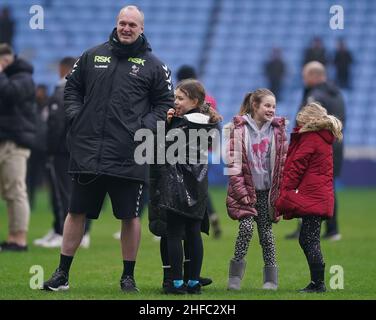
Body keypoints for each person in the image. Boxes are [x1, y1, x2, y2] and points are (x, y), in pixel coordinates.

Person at [42, 5, 174, 292]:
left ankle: (128, 277)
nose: (126, 28)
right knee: (75, 211)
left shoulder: (155, 66)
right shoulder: (91, 55)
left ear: (141, 29)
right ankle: (62, 274)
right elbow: (72, 87)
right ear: (116, 25)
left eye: (132, 25)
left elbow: (165, 105)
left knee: (129, 216)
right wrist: (77, 115)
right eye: (122, 23)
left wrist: (142, 128)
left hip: (129, 154)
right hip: (89, 151)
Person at [153, 79, 222, 294]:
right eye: (175, 97)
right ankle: (193, 282)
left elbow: (162, 149)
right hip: (198, 185)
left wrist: (167, 123)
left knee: (174, 233)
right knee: (194, 233)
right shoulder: (208, 122)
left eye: (180, 98)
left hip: (176, 184)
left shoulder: (180, 124)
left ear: (194, 100)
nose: (176, 102)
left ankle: (175, 283)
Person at [276, 102, 343, 293]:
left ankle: (318, 283)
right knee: (307, 238)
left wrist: (286, 190)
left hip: (313, 197)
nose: (298, 125)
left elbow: (297, 166)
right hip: (319, 195)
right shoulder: (323, 138)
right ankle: (316, 282)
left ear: (308, 119)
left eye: (300, 121)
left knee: (309, 239)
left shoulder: (311, 138)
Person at [226, 88, 288, 291]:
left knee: (266, 235)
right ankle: (235, 277)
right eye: (267, 105)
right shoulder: (238, 130)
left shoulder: (278, 130)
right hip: (244, 192)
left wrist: (279, 192)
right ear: (255, 106)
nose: (271, 110)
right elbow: (233, 166)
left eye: (274, 106)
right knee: (245, 229)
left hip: (266, 193)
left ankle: (271, 278)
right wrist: (242, 193)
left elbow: (282, 163)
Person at [33, 57, 92, 249]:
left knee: (62, 193)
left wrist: (49, 149)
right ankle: (78, 233)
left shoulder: (65, 90)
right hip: (79, 150)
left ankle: (61, 231)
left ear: (63, 69)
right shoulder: (85, 90)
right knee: (76, 192)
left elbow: (57, 124)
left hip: (62, 151)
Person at [285, 61, 345, 241]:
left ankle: (305, 228)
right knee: (328, 186)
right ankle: (332, 229)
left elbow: (307, 123)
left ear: (313, 76)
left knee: (306, 186)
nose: (304, 81)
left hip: (314, 146)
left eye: (305, 77)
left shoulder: (315, 95)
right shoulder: (337, 94)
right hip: (334, 145)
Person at [176, 64, 223, 238]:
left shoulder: (185, 97)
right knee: (199, 184)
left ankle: (185, 221)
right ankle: (211, 215)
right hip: (207, 147)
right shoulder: (207, 96)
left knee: (184, 185)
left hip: (187, 148)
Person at [0, 43, 36, 252]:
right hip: (5, 138)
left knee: (16, 191)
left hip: (15, 142)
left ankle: (19, 239)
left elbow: (9, 94)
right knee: (11, 192)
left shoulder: (24, 78)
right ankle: (12, 237)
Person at [26, 84, 48, 210]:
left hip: (45, 147)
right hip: (33, 147)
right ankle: (30, 201)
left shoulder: (48, 105)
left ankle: (55, 204)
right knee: (31, 177)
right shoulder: (32, 106)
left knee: (51, 176)